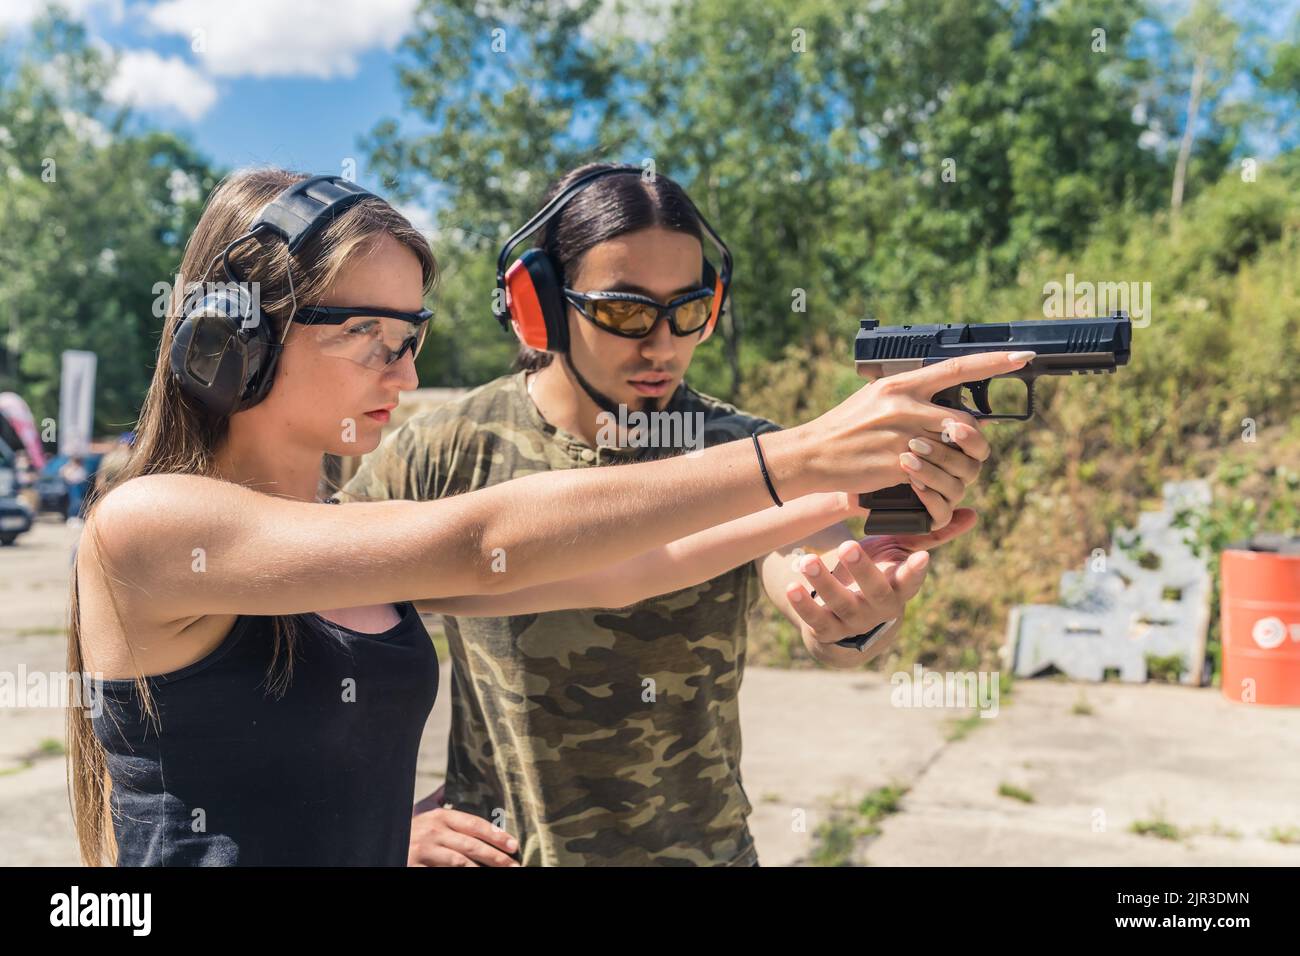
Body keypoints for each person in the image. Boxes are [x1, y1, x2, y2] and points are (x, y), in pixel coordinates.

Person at [71, 166, 1031, 866]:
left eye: (412, 336)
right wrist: (806, 455)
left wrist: (842, 495)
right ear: (233, 336)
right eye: (368, 333)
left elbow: (623, 566)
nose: (403, 373)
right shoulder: (150, 526)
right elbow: (485, 536)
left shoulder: (339, 546)